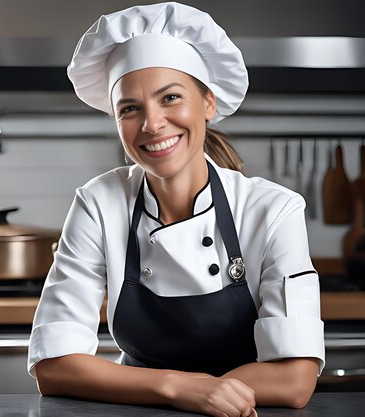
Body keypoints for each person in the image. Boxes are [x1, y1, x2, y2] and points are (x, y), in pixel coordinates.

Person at [27, 3, 325, 417]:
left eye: (171, 98)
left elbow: (294, 381)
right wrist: (176, 387)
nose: (152, 124)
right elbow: (54, 366)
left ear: (207, 102)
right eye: (129, 108)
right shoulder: (99, 203)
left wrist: (206, 392)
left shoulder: (272, 210)